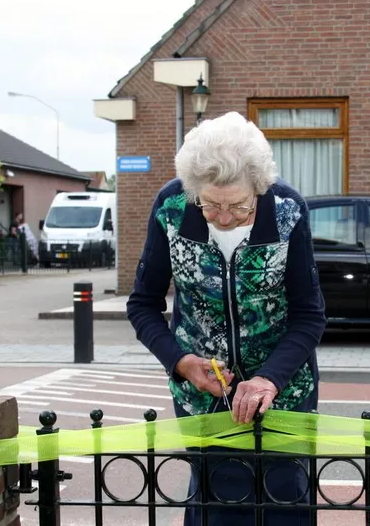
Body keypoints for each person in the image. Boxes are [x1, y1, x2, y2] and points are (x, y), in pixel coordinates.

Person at [126, 111, 327, 526]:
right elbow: (143, 304)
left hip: (286, 392)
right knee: (217, 506)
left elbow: (310, 315)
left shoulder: (288, 210)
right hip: (204, 398)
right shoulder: (172, 208)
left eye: (238, 205)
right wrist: (181, 362)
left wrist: (268, 378)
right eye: (210, 205)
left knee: (285, 505)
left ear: (260, 186)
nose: (222, 217)